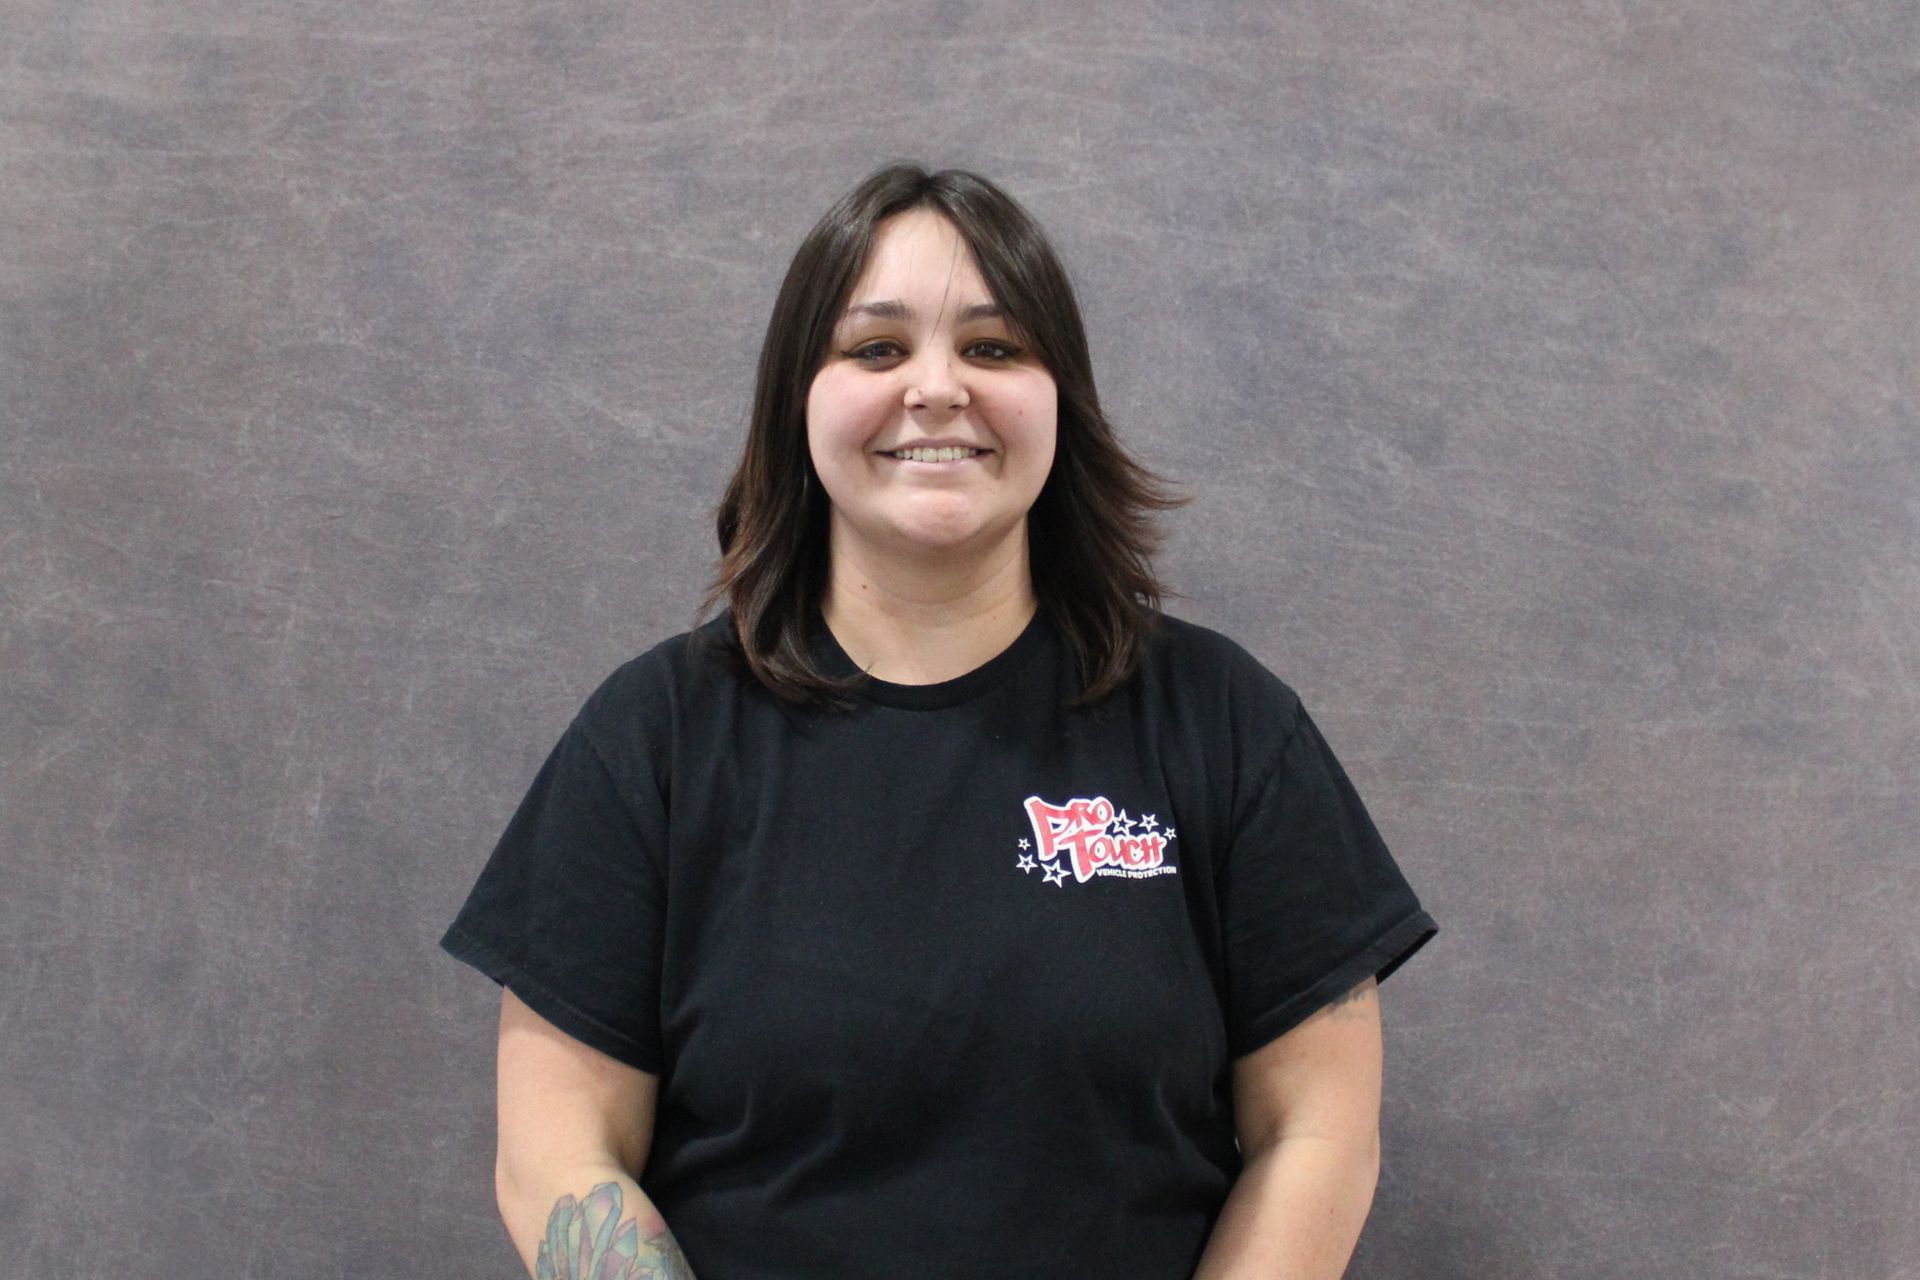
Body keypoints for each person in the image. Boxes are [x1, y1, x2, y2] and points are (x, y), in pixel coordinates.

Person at [439, 162, 1438, 1280]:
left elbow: (1320, 1131)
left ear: (1060, 396)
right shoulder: (655, 740)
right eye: (876, 348)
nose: (937, 388)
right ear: (796, 401)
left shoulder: (1224, 723)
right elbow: (556, 1153)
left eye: (994, 347)